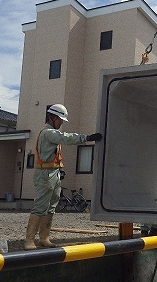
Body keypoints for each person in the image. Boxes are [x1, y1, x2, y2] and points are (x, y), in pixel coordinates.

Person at [24, 104, 102, 250]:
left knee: (52, 206)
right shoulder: (48, 132)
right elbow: (66, 138)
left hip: (53, 172)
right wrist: (87, 138)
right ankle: (29, 240)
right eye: (60, 119)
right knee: (41, 206)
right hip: (45, 174)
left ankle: (44, 238)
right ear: (52, 118)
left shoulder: (51, 132)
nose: (61, 123)